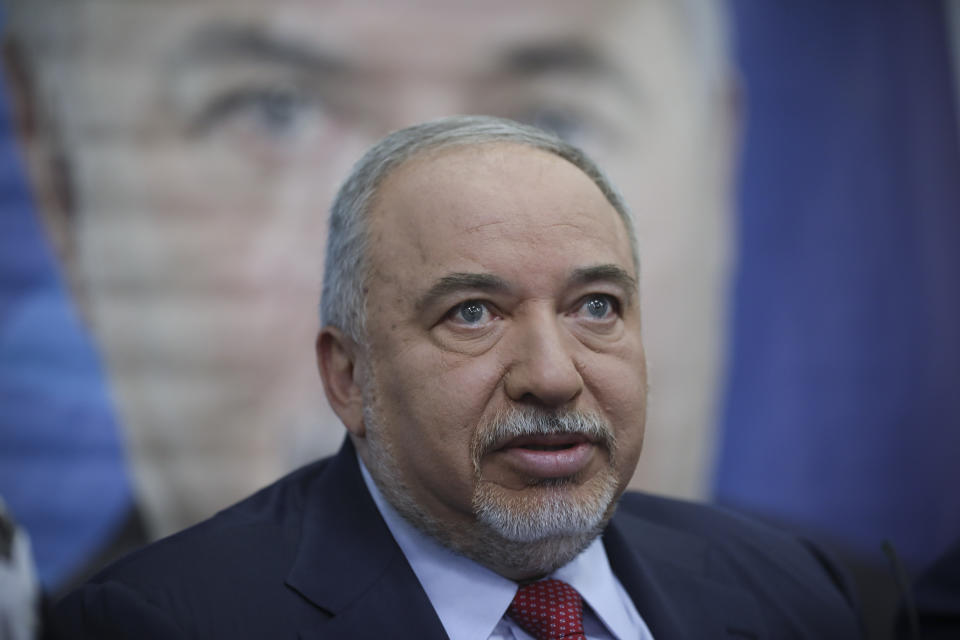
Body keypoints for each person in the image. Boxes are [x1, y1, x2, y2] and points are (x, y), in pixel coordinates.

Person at [54, 117, 860, 639]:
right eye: (472, 313)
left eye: (597, 306)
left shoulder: (794, 590)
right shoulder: (167, 624)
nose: (551, 376)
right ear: (348, 376)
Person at [2, 0, 734, 548]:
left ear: (720, 170)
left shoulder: (813, 608)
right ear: (63, 184)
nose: (545, 374)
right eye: (276, 110)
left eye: (553, 119)